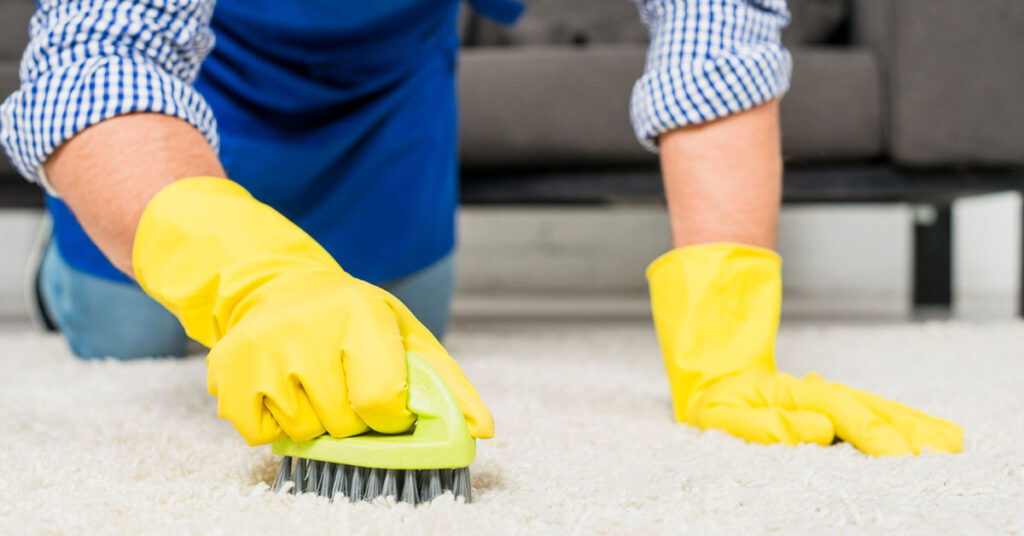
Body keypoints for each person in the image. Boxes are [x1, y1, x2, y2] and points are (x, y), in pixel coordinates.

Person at [0, 0, 961, 456]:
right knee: (128, 331)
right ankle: (62, 277)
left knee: (393, 338)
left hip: (388, 92)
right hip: (192, 89)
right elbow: (94, 63)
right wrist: (254, 277)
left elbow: (718, 32)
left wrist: (729, 349)